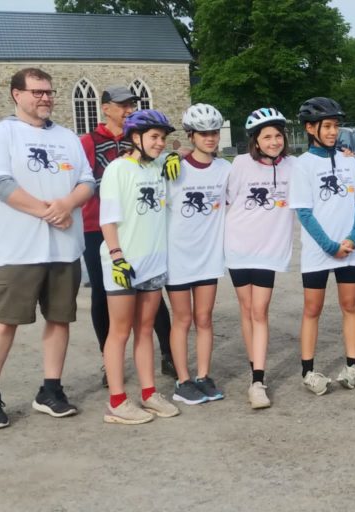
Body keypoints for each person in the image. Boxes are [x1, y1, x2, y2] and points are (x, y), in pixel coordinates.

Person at [0, 67, 95, 430]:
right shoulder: (1, 134)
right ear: (17, 94)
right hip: (18, 250)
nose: (45, 98)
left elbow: (87, 181)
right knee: (4, 322)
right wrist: (47, 210)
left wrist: (67, 204)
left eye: (49, 92)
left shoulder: (67, 137)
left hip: (64, 248)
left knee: (59, 319)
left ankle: (50, 389)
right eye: (37, 92)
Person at [80, 85, 175, 387]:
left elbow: (172, 157)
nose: (128, 109)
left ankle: (168, 355)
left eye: (131, 104)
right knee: (103, 297)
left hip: (140, 231)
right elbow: (80, 178)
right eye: (122, 105)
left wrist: (176, 155)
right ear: (105, 107)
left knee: (151, 304)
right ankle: (111, 364)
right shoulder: (90, 142)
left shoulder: (148, 144)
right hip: (101, 226)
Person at [98, 109, 181, 424]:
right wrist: (117, 256)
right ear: (136, 138)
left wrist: (176, 155)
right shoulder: (118, 169)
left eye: (163, 138)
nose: (161, 143)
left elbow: (185, 156)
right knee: (119, 332)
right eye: (155, 138)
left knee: (145, 330)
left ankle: (149, 394)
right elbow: (108, 219)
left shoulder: (160, 165)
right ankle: (117, 401)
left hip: (153, 262)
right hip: (124, 264)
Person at [288, 97, 355, 395]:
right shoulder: (302, 165)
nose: (334, 132)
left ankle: (352, 366)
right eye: (327, 126)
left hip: (350, 248)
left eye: (336, 126)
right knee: (313, 309)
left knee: (350, 305)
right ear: (311, 128)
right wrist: (329, 246)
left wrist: (354, 237)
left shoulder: (349, 161)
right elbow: (304, 212)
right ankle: (308, 371)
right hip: (319, 251)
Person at [226, 107, 296, 409]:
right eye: (267, 136)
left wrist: (348, 157)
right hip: (238, 245)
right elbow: (227, 199)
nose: (274, 141)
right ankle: (254, 360)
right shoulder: (240, 164)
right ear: (255, 140)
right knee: (246, 308)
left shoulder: (294, 166)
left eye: (278, 135)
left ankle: (257, 380)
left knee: (260, 310)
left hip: (269, 249)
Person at [166, 104, 231, 405]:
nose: (210, 138)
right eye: (203, 133)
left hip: (208, 257)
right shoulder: (174, 168)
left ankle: (203, 376)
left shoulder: (224, 170)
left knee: (204, 318)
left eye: (214, 132)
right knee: (182, 319)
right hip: (177, 256)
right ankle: (182, 380)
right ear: (191, 135)